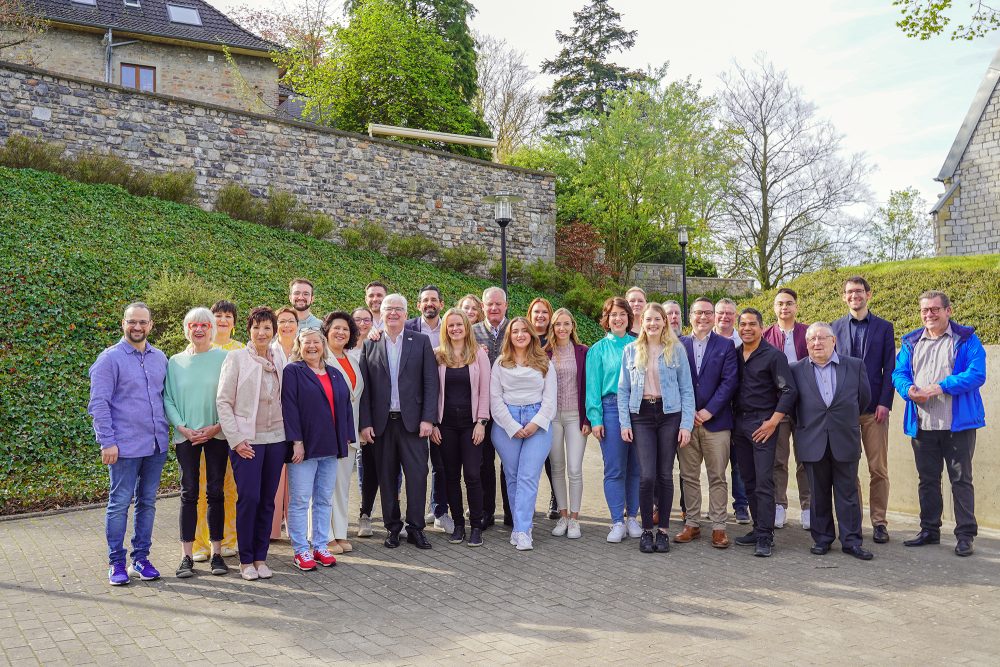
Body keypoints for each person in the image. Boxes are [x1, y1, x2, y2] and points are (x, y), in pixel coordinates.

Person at [893, 290, 986, 557]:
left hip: (958, 425)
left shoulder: (966, 339)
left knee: (961, 480)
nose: (929, 315)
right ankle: (930, 530)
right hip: (922, 424)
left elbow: (976, 374)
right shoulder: (911, 341)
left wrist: (940, 387)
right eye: (925, 310)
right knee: (928, 480)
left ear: (948, 311)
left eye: (935, 309)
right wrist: (908, 389)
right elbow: (899, 373)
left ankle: (965, 535)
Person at [88, 302, 169, 586]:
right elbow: (98, 404)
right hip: (122, 448)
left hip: (156, 446)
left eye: (142, 322)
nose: (137, 327)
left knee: (147, 503)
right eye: (132, 322)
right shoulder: (109, 359)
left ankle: (141, 559)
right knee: (119, 504)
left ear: (150, 324)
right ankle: (116, 563)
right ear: (123, 323)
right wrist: (106, 442)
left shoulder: (160, 358)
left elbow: (164, 399)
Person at [359, 294, 439, 550]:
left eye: (398, 309)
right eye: (388, 309)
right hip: (383, 424)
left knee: (417, 476)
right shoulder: (370, 344)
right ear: (380, 314)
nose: (393, 313)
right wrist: (365, 423)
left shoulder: (421, 341)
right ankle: (393, 528)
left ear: (406, 314)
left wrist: (428, 418)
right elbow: (366, 389)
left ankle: (416, 528)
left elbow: (430, 383)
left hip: (414, 423)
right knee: (386, 478)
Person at [790, 322, 873, 560]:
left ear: (833, 340)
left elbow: (863, 399)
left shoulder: (855, 366)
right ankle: (822, 539)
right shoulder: (795, 370)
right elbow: (791, 406)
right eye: (812, 340)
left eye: (822, 338)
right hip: (812, 439)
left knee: (847, 493)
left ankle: (852, 541)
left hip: (844, 438)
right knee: (818, 494)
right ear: (806, 344)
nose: (817, 343)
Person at [216, 306, 287, 581]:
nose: (262, 332)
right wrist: (235, 440)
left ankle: (261, 557)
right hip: (247, 441)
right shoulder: (236, 359)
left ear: (274, 331)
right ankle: (246, 560)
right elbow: (223, 401)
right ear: (249, 330)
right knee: (249, 498)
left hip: (277, 439)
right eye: (257, 327)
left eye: (267, 327)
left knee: (268, 501)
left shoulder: (279, 358)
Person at [619, 303, 695, 553]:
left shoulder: (676, 350)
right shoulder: (631, 350)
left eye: (657, 319)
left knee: (665, 474)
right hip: (641, 415)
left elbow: (686, 389)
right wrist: (624, 423)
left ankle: (662, 530)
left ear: (665, 322)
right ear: (642, 322)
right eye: (648, 320)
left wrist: (686, 425)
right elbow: (623, 390)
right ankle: (646, 531)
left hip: (669, 414)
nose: (652, 324)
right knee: (647, 475)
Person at [164, 308, 230, 578]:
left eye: (204, 324)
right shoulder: (175, 361)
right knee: (188, 492)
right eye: (193, 325)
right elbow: (167, 398)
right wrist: (183, 428)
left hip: (217, 434)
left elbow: (231, 396)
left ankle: (217, 554)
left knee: (215, 492)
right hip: (186, 436)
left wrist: (217, 426)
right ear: (186, 329)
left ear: (212, 328)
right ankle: (186, 557)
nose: (199, 329)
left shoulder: (225, 358)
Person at [282, 328, 354, 571]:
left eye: (316, 342)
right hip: (304, 447)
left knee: (323, 499)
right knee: (301, 500)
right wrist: (296, 441)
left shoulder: (334, 373)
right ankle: (301, 550)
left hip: (330, 446)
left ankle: (320, 546)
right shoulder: (293, 371)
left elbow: (345, 407)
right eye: (306, 342)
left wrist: (346, 437)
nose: (312, 346)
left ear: (323, 345)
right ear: (299, 347)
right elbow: (289, 407)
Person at [831, 276, 896, 544]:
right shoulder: (834, 327)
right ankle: (853, 521)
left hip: (873, 411)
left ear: (868, 295)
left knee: (877, 468)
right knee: (848, 469)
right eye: (849, 292)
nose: (854, 295)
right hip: (844, 411)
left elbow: (889, 368)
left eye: (859, 291)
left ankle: (879, 522)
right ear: (844, 297)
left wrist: (885, 402)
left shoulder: (883, 327)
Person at [732, 308, 798, 557]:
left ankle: (766, 536)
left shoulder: (774, 356)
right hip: (740, 424)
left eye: (752, 324)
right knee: (747, 479)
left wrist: (773, 422)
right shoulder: (735, 354)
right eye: (743, 324)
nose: (747, 328)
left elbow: (789, 391)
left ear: (761, 327)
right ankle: (758, 526)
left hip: (764, 425)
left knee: (764, 481)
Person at [490, 317, 557, 551]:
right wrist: (512, 426)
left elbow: (550, 402)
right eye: (515, 331)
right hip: (506, 424)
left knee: (528, 475)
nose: (520, 335)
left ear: (531, 335)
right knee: (513, 476)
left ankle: (523, 530)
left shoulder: (544, 363)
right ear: (509, 336)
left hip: (537, 423)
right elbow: (495, 400)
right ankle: (520, 526)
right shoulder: (500, 363)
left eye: (524, 331)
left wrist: (534, 424)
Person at [678, 298, 739, 548]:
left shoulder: (726, 346)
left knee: (717, 477)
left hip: (717, 423)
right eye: (698, 313)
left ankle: (719, 527)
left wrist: (708, 411)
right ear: (689, 316)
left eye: (707, 313)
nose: (703, 317)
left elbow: (729, 382)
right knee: (689, 476)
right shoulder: (678, 344)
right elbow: (673, 381)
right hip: (686, 423)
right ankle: (692, 523)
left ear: (714, 316)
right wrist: (689, 411)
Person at [186, 300, 241, 562]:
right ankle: (199, 544)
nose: (222, 320)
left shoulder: (239, 350)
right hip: (197, 432)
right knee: (197, 487)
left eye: (227, 316)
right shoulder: (192, 350)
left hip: (226, 432)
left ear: (234, 322)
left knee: (226, 487)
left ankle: (228, 539)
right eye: (217, 316)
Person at [432, 308, 491, 547]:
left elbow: (485, 391)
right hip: (445, 426)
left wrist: (481, 422)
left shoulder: (478, 354)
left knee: (473, 475)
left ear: (467, 327)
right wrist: (434, 423)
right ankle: (458, 524)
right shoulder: (437, 355)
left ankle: (476, 525)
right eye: (451, 325)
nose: (455, 329)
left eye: (459, 324)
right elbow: (431, 391)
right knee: (451, 476)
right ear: (445, 329)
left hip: (471, 425)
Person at [586, 297, 642, 543]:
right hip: (610, 411)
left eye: (622, 314)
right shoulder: (598, 350)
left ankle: (633, 518)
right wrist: (595, 418)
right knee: (615, 468)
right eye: (613, 315)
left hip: (638, 410)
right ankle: (617, 520)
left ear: (629, 317)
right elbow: (593, 388)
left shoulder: (639, 345)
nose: (617, 318)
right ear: (606, 320)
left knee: (637, 469)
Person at [763, 287, 811, 530]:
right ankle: (779, 505)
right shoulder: (765, 335)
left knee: (806, 459)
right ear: (774, 308)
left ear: (796, 306)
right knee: (778, 459)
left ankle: (808, 507)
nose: (785, 307)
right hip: (777, 406)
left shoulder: (808, 333)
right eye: (780, 303)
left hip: (805, 406)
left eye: (789, 303)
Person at [405, 285, 450, 533]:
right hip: (416, 406)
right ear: (418, 305)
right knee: (417, 463)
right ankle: (413, 514)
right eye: (425, 300)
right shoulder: (408, 327)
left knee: (440, 462)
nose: (429, 303)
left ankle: (438, 509)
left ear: (441, 304)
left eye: (434, 300)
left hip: (445, 402)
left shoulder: (451, 326)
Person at [544, 308, 590, 539]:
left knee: (574, 468)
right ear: (552, 328)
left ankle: (575, 518)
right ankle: (562, 515)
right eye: (557, 324)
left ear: (572, 326)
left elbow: (590, 387)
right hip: (552, 418)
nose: (562, 328)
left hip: (575, 417)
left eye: (566, 324)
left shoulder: (583, 352)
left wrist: (587, 418)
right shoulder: (545, 353)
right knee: (557, 467)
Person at [324, 311, 364, 554]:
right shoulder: (321, 357)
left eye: (346, 329)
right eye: (336, 328)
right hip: (327, 432)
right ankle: (323, 535)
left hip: (349, 434)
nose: (341, 333)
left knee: (341, 486)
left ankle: (339, 532)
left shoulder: (353, 360)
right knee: (324, 486)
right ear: (327, 330)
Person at [472, 286, 511, 528]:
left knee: (510, 462)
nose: (494, 308)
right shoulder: (472, 331)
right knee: (484, 462)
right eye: (489, 304)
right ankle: (487, 511)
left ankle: (511, 511)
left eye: (498, 304)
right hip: (482, 407)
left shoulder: (516, 328)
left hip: (510, 406)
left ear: (506, 305)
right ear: (482, 307)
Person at [714, 297, 750, 524]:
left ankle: (741, 506)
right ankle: (714, 507)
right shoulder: (706, 340)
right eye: (721, 313)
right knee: (713, 466)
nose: (725, 317)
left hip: (738, 412)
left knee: (739, 463)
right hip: (712, 412)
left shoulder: (743, 342)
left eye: (729, 313)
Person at [269, 305, 298, 540]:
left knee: (296, 474)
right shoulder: (269, 350)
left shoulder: (305, 348)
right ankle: (272, 527)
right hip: (273, 419)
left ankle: (295, 525)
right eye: (282, 321)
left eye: (291, 321)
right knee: (276, 475)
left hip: (299, 418)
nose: (287, 325)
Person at [527, 296, 558, 519]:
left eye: (544, 312)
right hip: (527, 406)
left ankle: (556, 499)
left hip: (551, 406)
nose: (540, 316)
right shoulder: (523, 338)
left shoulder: (555, 341)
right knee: (530, 460)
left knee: (552, 459)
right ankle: (528, 502)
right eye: (536, 312)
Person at [350, 306, 379, 538]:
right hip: (346, 418)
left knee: (369, 468)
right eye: (357, 319)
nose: (362, 323)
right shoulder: (341, 347)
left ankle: (365, 514)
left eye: (366, 319)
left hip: (369, 417)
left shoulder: (376, 343)